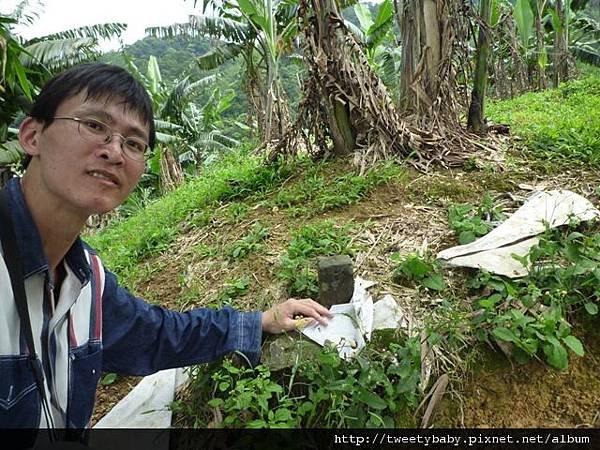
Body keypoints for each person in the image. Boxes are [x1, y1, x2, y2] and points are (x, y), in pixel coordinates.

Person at [0, 63, 331, 432]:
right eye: (94, 126)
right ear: (32, 135)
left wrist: (260, 321)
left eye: (134, 143)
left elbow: (157, 335)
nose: (115, 152)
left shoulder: (86, 280)